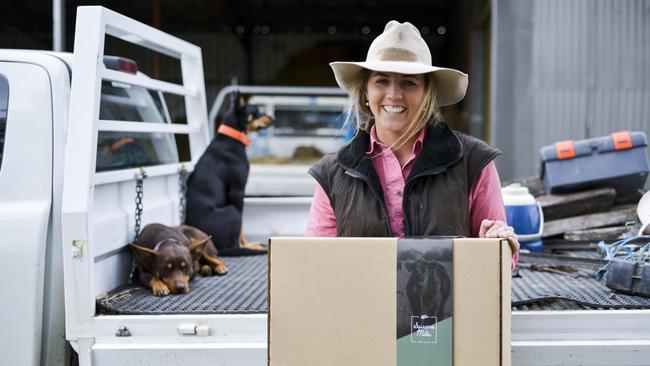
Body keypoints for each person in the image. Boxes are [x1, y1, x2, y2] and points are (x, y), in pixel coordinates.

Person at [305, 20, 519, 268]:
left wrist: (501, 243)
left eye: (409, 82)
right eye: (381, 81)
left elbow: (502, 262)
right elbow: (316, 263)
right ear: (365, 92)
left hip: (448, 307)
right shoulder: (332, 174)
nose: (394, 95)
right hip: (361, 307)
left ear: (428, 94)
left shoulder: (473, 162)